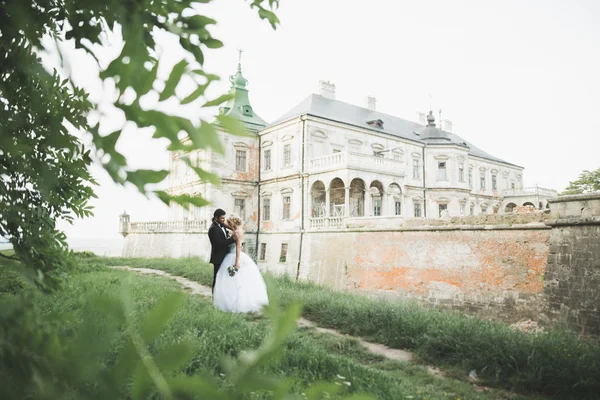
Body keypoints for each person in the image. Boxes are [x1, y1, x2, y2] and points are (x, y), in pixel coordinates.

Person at [213, 214, 269, 313]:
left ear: (233, 222)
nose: (228, 224)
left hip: (234, 256)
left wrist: (237, 262)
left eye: (229, 222)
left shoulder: (237, 232)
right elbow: (227, 227)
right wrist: (223, 223)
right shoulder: (238, 230)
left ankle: (236, 304)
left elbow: (238, 248)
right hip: (231, 255)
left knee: (234, 281)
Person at [208, 209, 236, 292]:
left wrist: (234, 228)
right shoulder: (213, 229)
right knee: (217, 278)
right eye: (222, 218)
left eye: (224, 218)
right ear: (216, 218)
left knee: (224, 278)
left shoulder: (220, 224)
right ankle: (214, 298)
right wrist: (233, 239)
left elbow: (225, 226)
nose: (224, 220)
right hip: (218, 257)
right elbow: (220, 243)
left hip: (225, 256)